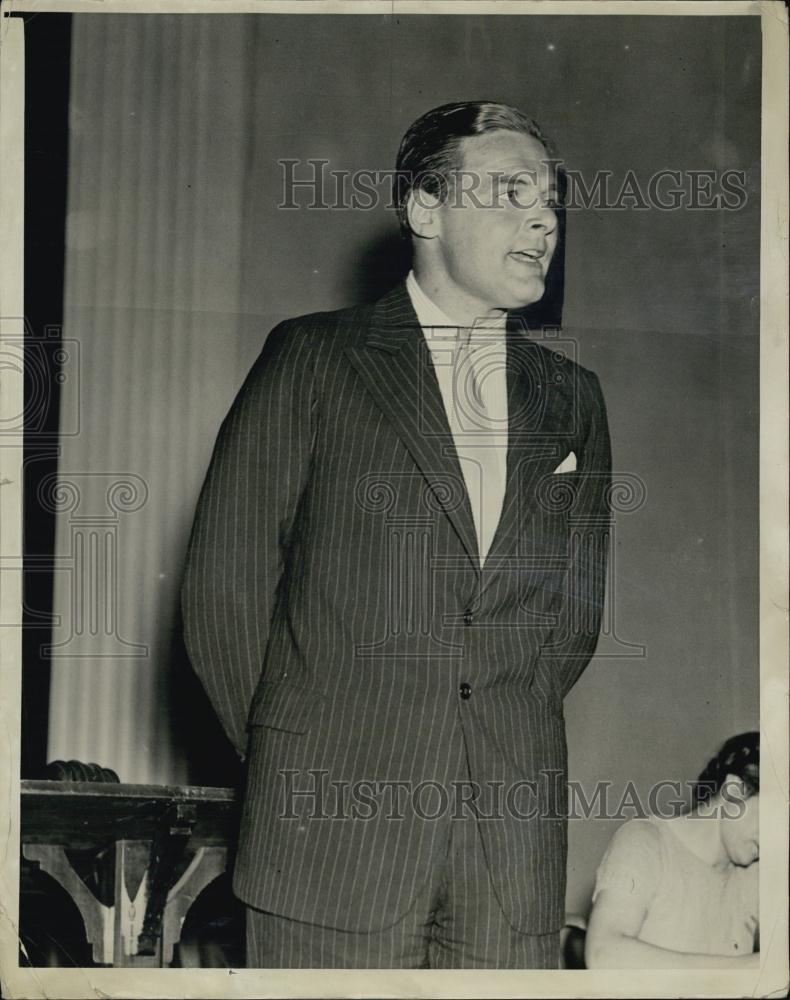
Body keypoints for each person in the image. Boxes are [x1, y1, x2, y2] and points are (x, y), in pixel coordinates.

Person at [181, 100, 612, 969]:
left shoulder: (573, 397)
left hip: (510, 851)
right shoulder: (314, 358)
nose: (542, 218)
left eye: (553, 201)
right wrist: (302, 747)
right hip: (329, 833)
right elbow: (222, 596)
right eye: (511, 191)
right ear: (425, 209)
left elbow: (571, 620)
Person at [585, 732, 760, 969]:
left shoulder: (752, 873)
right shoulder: (645, 841)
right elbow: (603, 954)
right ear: (734, 791)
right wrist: (742, 971)